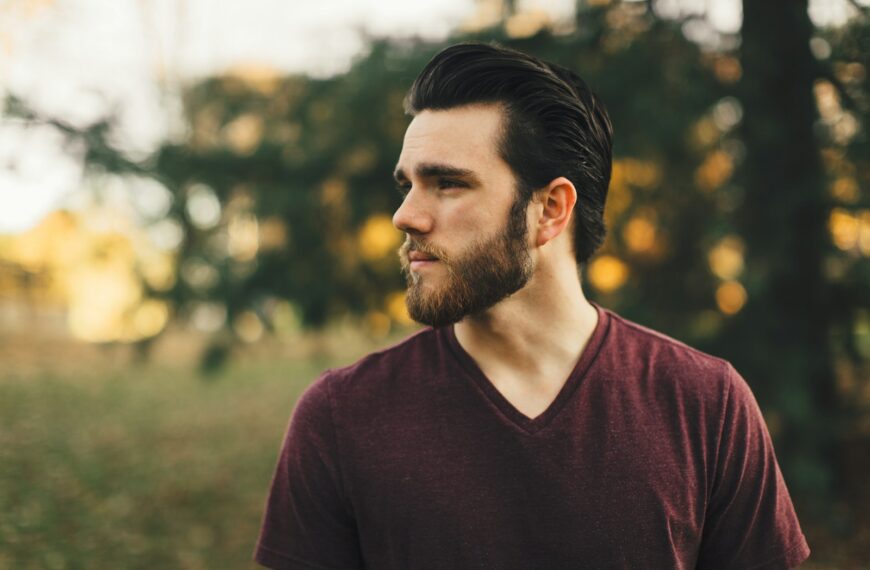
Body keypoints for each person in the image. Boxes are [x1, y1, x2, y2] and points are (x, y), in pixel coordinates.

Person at [255, 42, 810, 569]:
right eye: (408, 185)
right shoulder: (340, 417)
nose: (405, 216)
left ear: (549, 209)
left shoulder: (706, 405)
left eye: (448, 183)